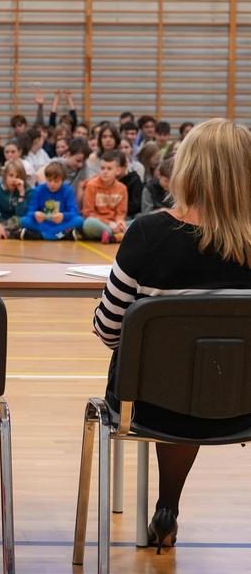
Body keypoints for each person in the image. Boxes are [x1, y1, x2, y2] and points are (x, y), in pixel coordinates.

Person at [93, 119, 251, 552]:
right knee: (203, 383)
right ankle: (167, 504)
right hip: (244, 405)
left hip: (150, 406)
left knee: (175, 385)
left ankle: (166, 507)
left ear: (188, 170)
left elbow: (109, 330)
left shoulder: (149, 233)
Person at [21, 161, 83, 241]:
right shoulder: (38, 190)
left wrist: (63, 216)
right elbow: (30, 211)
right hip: (44, 223)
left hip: (60, 224)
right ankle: (60, 236)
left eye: (56, 181)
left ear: (63, 180)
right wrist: (35, 214)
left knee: (79, 221)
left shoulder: (68, 190)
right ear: (45, 178)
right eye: (49, 180)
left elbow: (74, 212)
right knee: (24, 220)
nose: (52, 184)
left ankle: (42, 236)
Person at [81, 151, 129, 243]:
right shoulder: (91, 185)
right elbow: (88, 213)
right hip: (99, 223)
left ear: (118, 171)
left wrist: (120, 222)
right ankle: (117, 236)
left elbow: (121, 213)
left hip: (114, 223)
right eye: (102, 168)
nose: (105, 172)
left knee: (137, 222)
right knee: (88, 224)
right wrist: (109, 223)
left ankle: (113, 236)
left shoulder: (122, 188)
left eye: (109, 168)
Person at [0, 160, 30, 239]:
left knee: (24, 221)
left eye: (18, 177)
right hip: (1, 222)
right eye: (11, 175)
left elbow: (21, 214)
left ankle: (8, 233)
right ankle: (8, 233)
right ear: (5, 176)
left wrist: (21, 193)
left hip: (18, 222)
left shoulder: (28, 190)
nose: (14, 179)